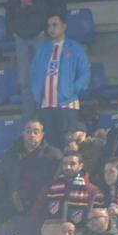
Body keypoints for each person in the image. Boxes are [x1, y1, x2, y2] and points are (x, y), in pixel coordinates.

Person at [6, 0, 68, 119]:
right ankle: (29, 124)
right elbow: (10, 7)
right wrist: (13, 29)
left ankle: (45, 122)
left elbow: (59, 7)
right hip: (21, 37)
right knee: (25, 83)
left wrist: (49, 30)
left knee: (44, 81)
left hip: (42, 36)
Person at [32, 14, 90, 149]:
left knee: (68, 146)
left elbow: (85, 73)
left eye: (55, 25)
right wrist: (37, 95)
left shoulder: (75, 48)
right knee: (50, 148)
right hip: (45, 106)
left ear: (64, 26)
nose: (51, 29)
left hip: (67, 107)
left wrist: (72, 90)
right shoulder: (42, 50)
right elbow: (33, 74)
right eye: (49, 26)